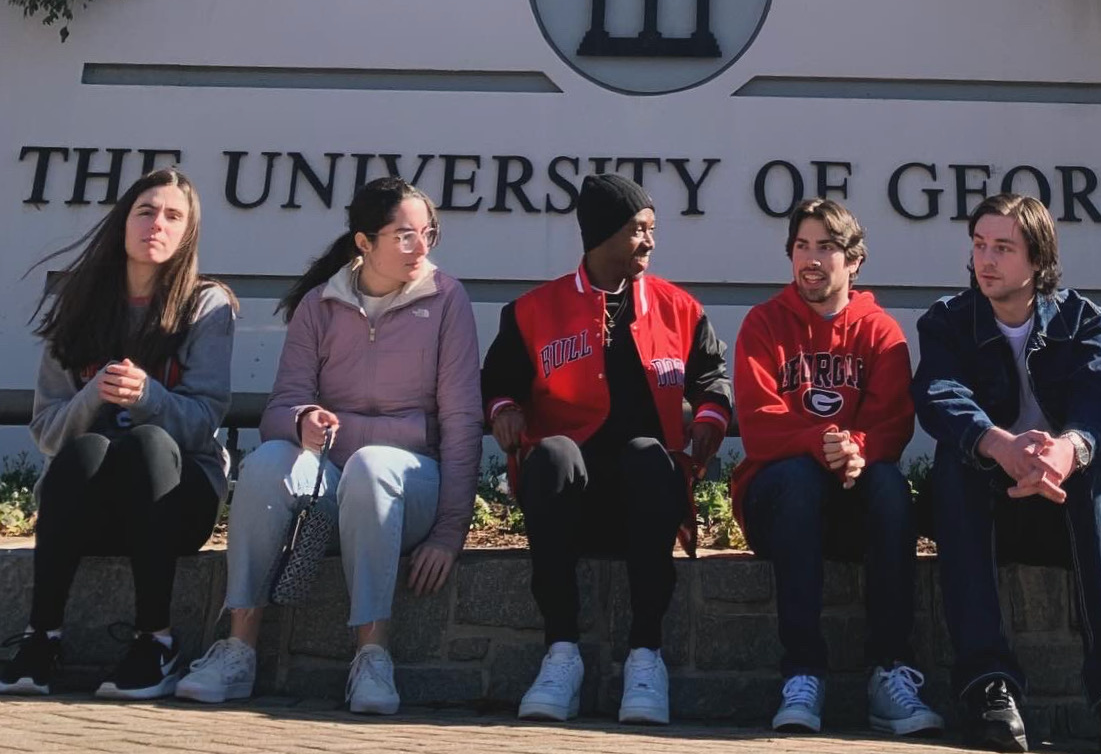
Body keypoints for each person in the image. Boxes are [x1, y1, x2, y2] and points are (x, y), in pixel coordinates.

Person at [174, 176, 481, 715]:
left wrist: (450, 532)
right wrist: (301, 421)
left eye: (427, 232)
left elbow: (460, 421)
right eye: (403, 235)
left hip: (410, 486)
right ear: (364, 242)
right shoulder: (321, 305)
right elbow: (280, 408)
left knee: (372, 464)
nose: (421, 247)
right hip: (330, 485)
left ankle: (372, 656)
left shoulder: (447, 298)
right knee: (269, 460)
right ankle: (239, 645)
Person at [481, 172, 732, 726]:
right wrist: (504, 410)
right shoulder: (533, 310)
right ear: (602, 236)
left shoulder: (679, 308)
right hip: (568, 500)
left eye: (652, 228)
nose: (650, 240)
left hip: (647, 501)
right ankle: (561, 654)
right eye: (638, 229)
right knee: (551, 454)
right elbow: (498, 381)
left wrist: (711, 418)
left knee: (647, 453)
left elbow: (712, 377)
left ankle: (646, 656)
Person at [912, 192, 1101, 754]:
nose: (986, 260)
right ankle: (987, 686)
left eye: (1003, 247)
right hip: (986, 494)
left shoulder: (1083, 320)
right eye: (979, 245)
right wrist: (998, 444)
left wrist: (1067, 450)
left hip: (1059, 496)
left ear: (1039, 260)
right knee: (956, 468)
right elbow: (937, 393)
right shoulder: (948, 321)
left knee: (1097, 480)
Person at [0, 169, 236, 700]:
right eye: (146, 211)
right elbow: (46, 429)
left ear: (187, 233)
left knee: (146, 444)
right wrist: (94, 395)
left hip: (174, 502)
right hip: (89, 509)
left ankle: (156, 641)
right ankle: (42, 638)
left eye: (173, 216)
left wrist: (148, 397)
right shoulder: (78, 306)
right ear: (123, 222)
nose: (157, 224)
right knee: (87, 447)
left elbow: (204, 422)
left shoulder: (207, 305)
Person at [731, 198, 943, 735]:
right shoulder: (763, 324)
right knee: (800, 477)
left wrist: (858, 449)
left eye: (825, 247)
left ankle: (889, 670)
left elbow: (894, 424)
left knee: (890, 484)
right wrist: (822, 441)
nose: (811, 258)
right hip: (778, 505)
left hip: (852, 503)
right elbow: (757, 425)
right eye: (802, 246)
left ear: (853, 260)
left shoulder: (881, 331)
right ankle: (802, 674)